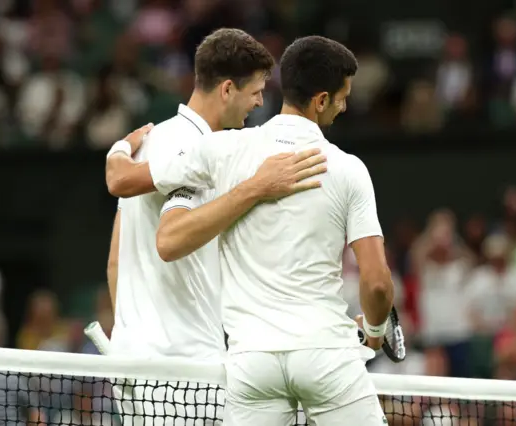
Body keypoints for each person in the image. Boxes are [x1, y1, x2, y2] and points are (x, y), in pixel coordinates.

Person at [106, 36, 394, 425]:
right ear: (321, 100)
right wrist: (374, 331)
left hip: (249, 363)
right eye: (342, 97)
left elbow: (121, 193)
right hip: (307, 355)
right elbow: (377, 284)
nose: (345, 106)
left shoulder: (222, 150)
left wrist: (120, 150)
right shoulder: (348, 169)